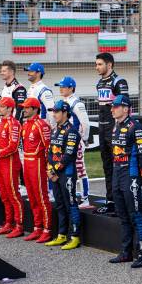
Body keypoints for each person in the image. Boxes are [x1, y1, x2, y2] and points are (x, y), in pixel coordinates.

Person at [108, 95, 142, 268]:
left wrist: (139, 177)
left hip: (130, 174)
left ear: (126, 108)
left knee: (136, 214)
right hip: (117, 173)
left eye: (116, 106)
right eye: (112, 106)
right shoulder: (115, 126)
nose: (112, 109)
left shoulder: (136, 127)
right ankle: (126, 252)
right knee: (122, 215)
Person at [94, 53, 129, 214]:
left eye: (100, 64)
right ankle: (111, 201)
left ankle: (122, 202)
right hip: (102, 129)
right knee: (107, 166)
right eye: (96, 64)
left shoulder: (119, 81)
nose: (97, 67)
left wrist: (120, 128)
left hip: (115, 130)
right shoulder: (100, 83)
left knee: (119, 167)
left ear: (110, 65)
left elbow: (126, 106)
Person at [45, 100, 82, 250]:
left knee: (71, 204)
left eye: (57, 111)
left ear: (65, 112)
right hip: (54, 174)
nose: (54, 114)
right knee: (59, 204)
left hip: (67, 174)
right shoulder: (55, 129)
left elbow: (68, 155)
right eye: (53, 111)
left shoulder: (72, 131)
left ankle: (75, 237)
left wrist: (54, 171)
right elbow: (49, 152)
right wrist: (49, 170)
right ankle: (61, 235)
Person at [0, 96, 24, 238]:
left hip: (10, 163)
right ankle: (8, 223)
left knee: (14, 194)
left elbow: (13, 147)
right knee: (4, 194)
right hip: (1, 163)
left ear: (9, 108)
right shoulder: (1, 122)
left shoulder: (14, 124)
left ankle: (19, 225)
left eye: (2, 106)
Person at [56, 76, 91, 209]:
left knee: (80, 169)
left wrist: (83, 139)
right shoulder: (62, 102)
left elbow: (85, 124)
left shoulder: (77, 103)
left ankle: (85, 198)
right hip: (65, 142)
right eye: (60, 86)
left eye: (63, 86)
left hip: (76, 142)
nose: (61, 89)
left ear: (71, 88)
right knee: (67, 169)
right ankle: (73, 195)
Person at [20, 97, 53, 243]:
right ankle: (37, 227)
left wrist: (48, 167)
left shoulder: (42, 125)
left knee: (41, 197)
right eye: (24, 107)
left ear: (35, 109)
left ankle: (47, 229)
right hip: (27, 163)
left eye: (27, 107)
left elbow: (48, 148)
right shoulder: (25, 125)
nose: (24, 109)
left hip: (38, 163)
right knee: (32, 197)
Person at [24, 62, 56, 129]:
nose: (28, 73)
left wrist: (53, 128)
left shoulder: (44, 90)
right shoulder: (30, 88)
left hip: (41, 126)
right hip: (31, 124)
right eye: (28, 71)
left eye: (31, 71)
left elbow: (51, 110)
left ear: (38, 73)